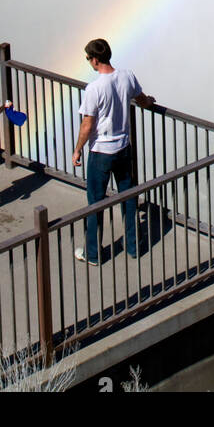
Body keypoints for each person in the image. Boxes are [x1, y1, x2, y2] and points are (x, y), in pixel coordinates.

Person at [71, 39, 155, 265]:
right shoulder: (127, 76)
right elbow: (142, 100)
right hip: (123, 148)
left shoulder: (94, 88)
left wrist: (77, 150)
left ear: (95, 60)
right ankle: (133, 247)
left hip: (101, 152)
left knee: (96, 203)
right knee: (128, 197)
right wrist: (150, 102)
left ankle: (93, 254)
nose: (89, 61)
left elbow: (87, 125)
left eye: (88, 58)